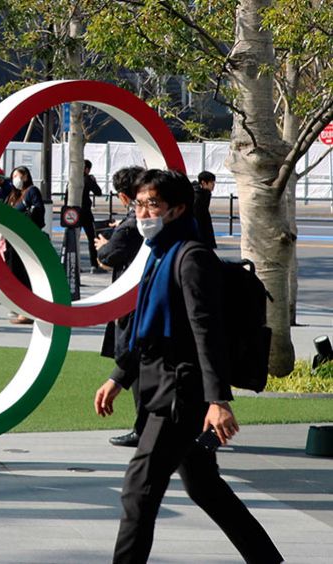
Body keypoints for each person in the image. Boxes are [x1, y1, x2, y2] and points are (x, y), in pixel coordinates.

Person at [93, 169, 282, 564]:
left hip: (179, 392)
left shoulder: (191, 257)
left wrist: (218, 400)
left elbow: (207, 332)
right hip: (157, 382)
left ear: (177, 209)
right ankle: (266, 559)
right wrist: (119, 376)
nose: (144, 213)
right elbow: (146, 327)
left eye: (153, 205)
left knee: (137, 490)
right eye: (140, 203)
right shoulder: (159, 253)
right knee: (204, 486)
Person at [94, 166, 146, 447]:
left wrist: (104, 244)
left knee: (132, 360)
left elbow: (109, 256)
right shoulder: (145, 220)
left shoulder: (129, 226)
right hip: (141, 301)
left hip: (132, 304)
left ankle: (143, 428)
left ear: (124, 197)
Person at [0, 166, 43, 324]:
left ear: (25, 176)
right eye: (13, 176)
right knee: (7, 273)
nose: (15, 179)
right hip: (9, 242)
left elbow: (37, 212)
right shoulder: (14, 195)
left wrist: (19, 220)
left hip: (21, 242)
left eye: (17, 175)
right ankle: (18, 308)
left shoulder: (31, 192)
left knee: (11, 274)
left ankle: (19, 309)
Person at [81, 159, 104, 274]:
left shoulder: (72, 179)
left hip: (73, 213)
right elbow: (98, 192)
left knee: (72, 238)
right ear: (87, 169)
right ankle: (94, 265)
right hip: (85, 213)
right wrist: (93, 181)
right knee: (92, 238)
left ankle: (72, 263)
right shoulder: (87, 179)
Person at [192, 170, 217, 248]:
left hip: (204, 228)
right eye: (211, 183)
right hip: (199, 230)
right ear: (203, 183)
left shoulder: (205, 193)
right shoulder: (197, 196)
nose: (213, 185)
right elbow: (197, 216)